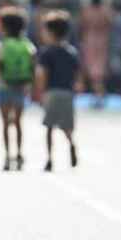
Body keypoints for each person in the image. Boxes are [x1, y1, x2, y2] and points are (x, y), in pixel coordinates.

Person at [0, 6, 37, 172]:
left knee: (5, 123)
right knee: (19, 123)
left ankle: (8, 156)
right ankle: (20, 154)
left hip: (4, 87)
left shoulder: (0, 46)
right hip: (21, 87)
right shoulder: (27, 45)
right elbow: (33, 67)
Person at [35, 11, 80, 171]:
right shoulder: (72, 52)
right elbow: (77, 75)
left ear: (51, 32)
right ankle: (71, 144)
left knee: (49, 127)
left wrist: (40, 93)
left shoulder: (46, 53)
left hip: (52, 93)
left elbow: (42, 74)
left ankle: (49, 158)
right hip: (67, 93)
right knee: (67, 126)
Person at [80, 0, 113, 107]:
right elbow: (110, 24)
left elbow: (82, 26)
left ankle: (98, 94)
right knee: (99, 70)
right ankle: (99, 94)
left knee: (94, 71)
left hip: (90, 41)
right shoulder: (106, 11)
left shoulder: (87, 11)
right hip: (102, 41)